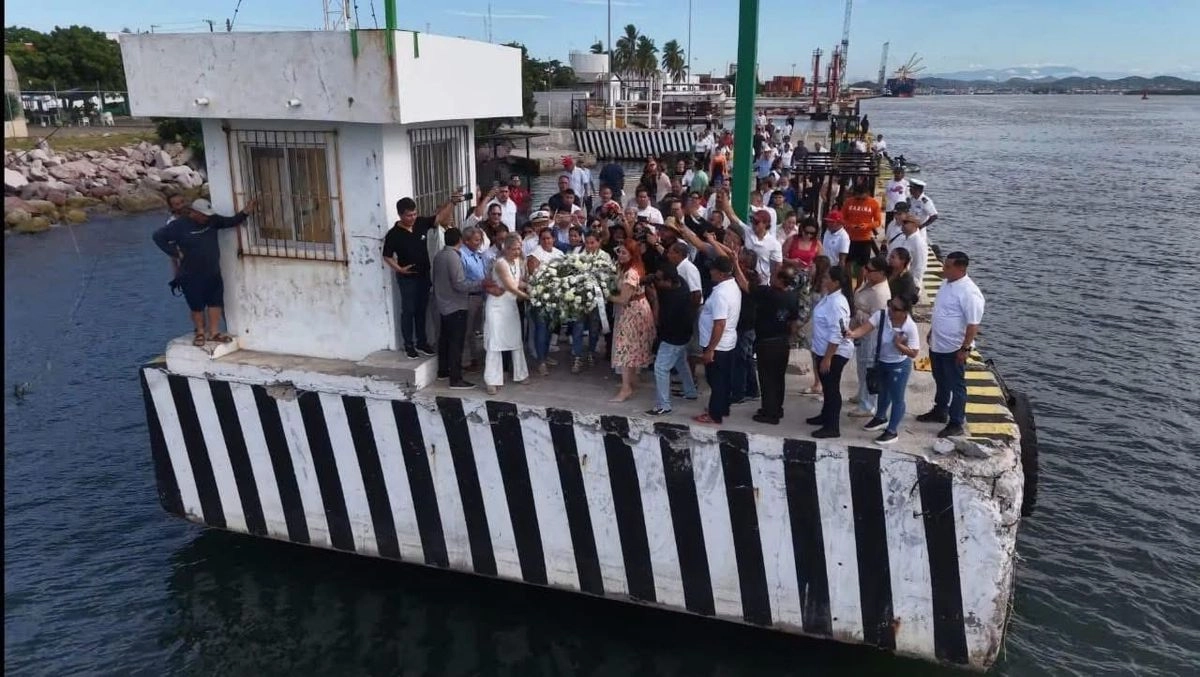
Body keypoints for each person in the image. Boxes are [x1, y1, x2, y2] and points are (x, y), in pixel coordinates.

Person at [152, 198, 256, 346]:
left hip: (212, 272)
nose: (206, 218)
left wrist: (245, 212)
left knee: (215, 302)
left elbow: (230, 221)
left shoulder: (212, 221)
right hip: (190, 274)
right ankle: (200, 332)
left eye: (208, 215)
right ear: (194, 213)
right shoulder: (178, 226)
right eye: (203, 215)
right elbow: (157, 237)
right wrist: (174, 253)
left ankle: (214, 332)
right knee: (196, 305)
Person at [384, 194, 461, 358]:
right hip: (407, 279)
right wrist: (399, 269)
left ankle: (421, 342)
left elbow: (439, 218)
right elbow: (387, 256)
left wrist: (452, 203)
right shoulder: (393, 234)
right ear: (400, 215)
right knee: (409, 310)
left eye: (414, 214)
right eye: (408, 215)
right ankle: (408, 345)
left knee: (421, 310)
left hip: (424, 275)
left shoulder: (420, 223)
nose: (412, 218)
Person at [919, 251, 985, 438]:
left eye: (948, 266)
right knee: (940, 379)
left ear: (961, 268)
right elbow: (941, 311)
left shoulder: (970, 293)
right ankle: (940, 410)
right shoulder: (946, 283)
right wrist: (932, 331)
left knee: (957, 385)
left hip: (954, 347)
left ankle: (956, 421)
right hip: (938, 343)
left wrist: (964, 348)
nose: (944, 269)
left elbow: (973, 325)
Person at [844, 296, 920, 444]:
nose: (891, 310)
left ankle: (892, 431)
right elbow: (865, 328)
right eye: (890, 305)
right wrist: (852, 334)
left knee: (897, 398)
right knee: (883, 391)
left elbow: (914, 353)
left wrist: (898, 345)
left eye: (895, 309)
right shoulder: (882, 315)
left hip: (898, 365)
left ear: (905, 312)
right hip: (882, 361)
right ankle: (880, 417)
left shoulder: (910, 326)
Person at [431, 228, 484, 390]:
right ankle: (456, 378)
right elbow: (459, 284)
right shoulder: (453, 257)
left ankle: (443, 371)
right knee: (456, 343)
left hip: (443, 304)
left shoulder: (439, 255)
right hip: (456, 305)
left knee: (445, 340)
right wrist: (481, 283)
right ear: (460, 240)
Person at [807, 265, 855, 438]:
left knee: (832, 388)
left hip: (834, 353)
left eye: (827, 278)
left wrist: (827, 358)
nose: (823, 279)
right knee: (828, 388)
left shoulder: (837, 304)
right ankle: (825, 416)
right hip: (823, 349)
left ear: (835, 282)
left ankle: (832, 426)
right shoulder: (829, 297)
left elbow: (837, 333)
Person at [693, 256, 741, 425]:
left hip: (718, 344)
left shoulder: (721, 294)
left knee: (716, 380)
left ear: (720, 273)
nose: (710, 272)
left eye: (713, 269)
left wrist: (710, 349)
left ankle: (714, 414)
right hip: (727, 342)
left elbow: (719, 323)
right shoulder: (731, 286)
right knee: (724, 378)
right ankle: (722, 407)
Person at [646, 262, 698, 415]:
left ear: (668, 281)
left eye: (659, 279)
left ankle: (664, 405)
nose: (657, 282)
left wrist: (654, 298)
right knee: (680, 362)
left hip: (673, 337)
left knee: (661, 368)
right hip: (685, 334)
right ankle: (690, 392)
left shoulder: (674, 301)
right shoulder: (681, 282)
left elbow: (658, 321)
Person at [484, 234, 531, 395]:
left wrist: (535, 286)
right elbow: (511, 286)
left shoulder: (517, 261)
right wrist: (528, 297)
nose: (517, 252)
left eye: (519, 248)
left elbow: (518, 281)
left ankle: (521, 374)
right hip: (497, 307)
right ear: (506, 248)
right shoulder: (500, 263)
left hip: (510, 306)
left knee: (516, 340)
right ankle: (492, 380)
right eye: (514, 249)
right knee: (495, 343)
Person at [609, 240, 655, 402]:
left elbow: (623, 299)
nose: (620, 256)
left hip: (633, 312)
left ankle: (625, 387)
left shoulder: (631, 273)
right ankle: (633, 380)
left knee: (625, 348)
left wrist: (604, 295)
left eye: (624, 253)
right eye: (619, 252)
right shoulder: (627, 268)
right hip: (635, 310)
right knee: (633, 346)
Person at [848, 256, 893, 419]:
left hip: (871, 336)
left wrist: (859, 313)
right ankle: (861, 394)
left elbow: (877, 320)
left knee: (868, 367)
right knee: (860, 366)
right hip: (860, 332)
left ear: (880, 273)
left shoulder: (881, 294)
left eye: (869, 270)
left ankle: (867, 405)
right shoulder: (869, 284)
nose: (865, 272)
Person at [527, 228, 565, 375]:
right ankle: (541, 361)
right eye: (543, 238)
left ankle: (545, 354)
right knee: (541, 329)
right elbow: (533, 276)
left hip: (555, 298)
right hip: (541, 299)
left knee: (550, 329)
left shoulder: (559, 253)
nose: (547, 241)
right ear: (540, 240)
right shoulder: (535, 254)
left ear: (553, 239)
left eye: (549, 238)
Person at [459, 225, 489, 372]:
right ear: (466, 241)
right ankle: (465, 361)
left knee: (475, 331)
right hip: (469, 297)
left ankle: (474, 358)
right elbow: (461, 281)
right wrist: (481, 283)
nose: (479, 243)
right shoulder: (462, 255)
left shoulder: (478, 255)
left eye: (480, 240)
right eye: (476, 240)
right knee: (466, 330)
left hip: (480, 296)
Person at [842, 184, 884, 283]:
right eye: (858, 198)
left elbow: (878, 222)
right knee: (847, 262)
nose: (860, 200)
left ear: (867, 194)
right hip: (850, 238)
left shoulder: (873, 203)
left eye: (862, 198)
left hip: (865, 239)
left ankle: (859, 285)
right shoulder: (848, 202)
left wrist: (867, 225)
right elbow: (842, 218)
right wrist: (849, 225)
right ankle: (848, 283)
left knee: (863, 265)